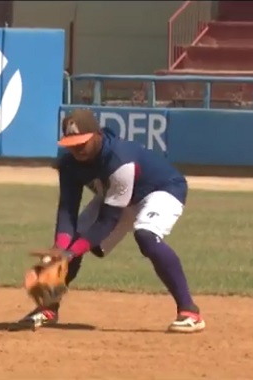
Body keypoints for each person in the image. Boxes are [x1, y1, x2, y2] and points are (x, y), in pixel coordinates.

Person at [18, 109, 205, 333]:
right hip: (117, 198)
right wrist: (60, 247)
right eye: (71, 143)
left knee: (146, 235)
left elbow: (108, 221)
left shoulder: (119, 160)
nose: (77, 149)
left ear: (97, 135)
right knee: (69, 244)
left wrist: (69, 254)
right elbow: (68, 207)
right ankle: (48, 308)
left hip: (161, 190)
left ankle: (189, 311)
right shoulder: (69, 164)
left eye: (82, 142)